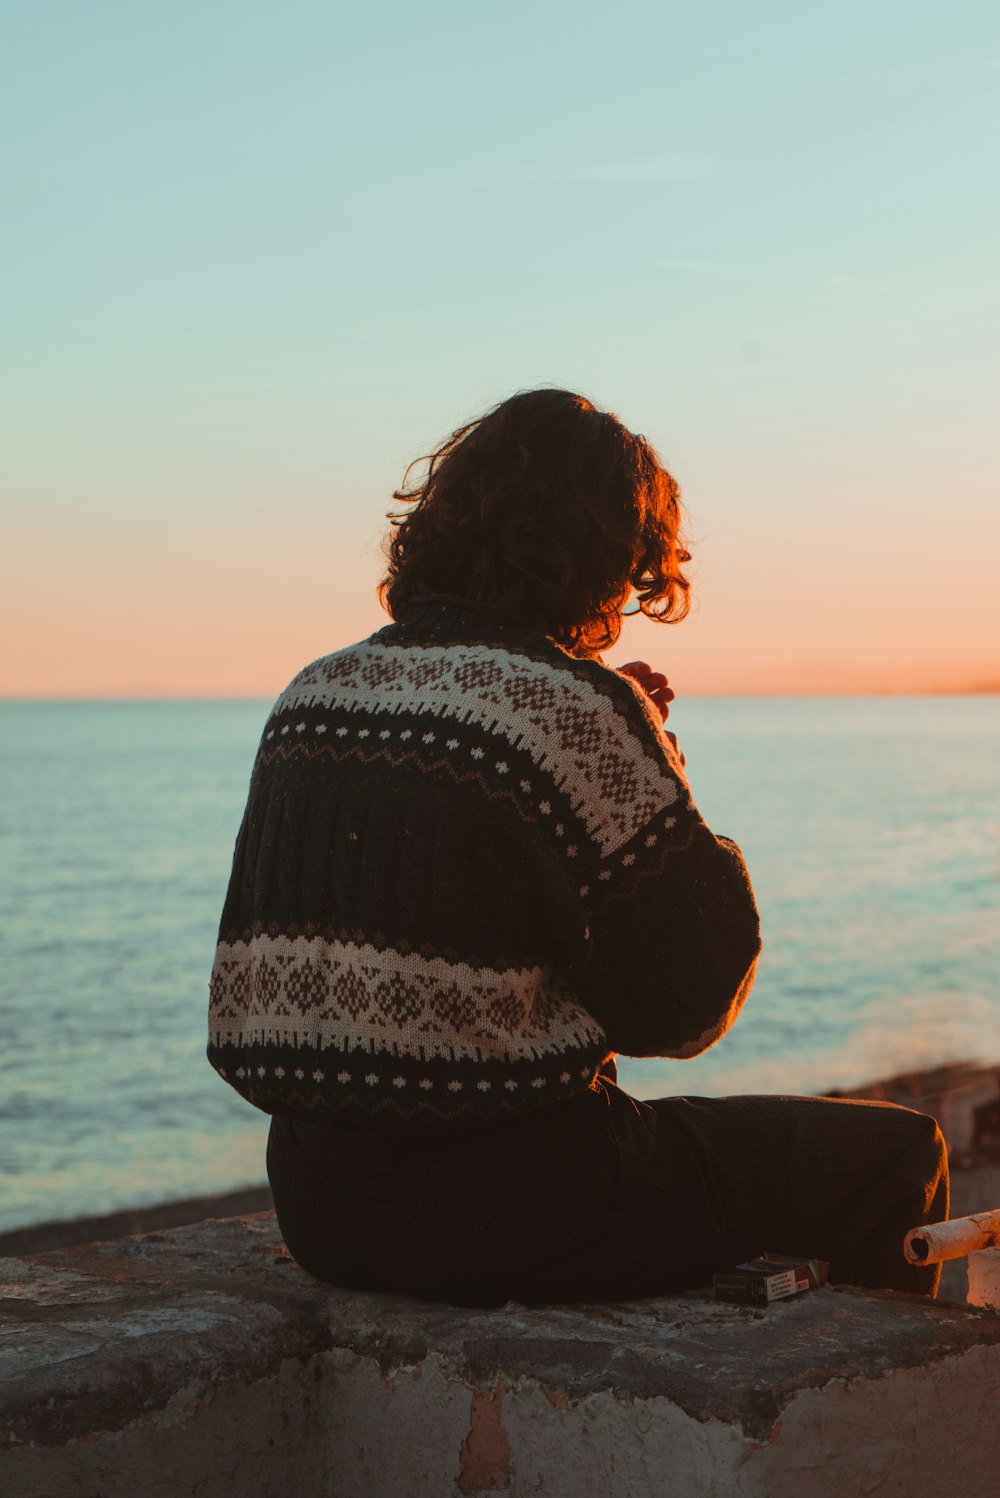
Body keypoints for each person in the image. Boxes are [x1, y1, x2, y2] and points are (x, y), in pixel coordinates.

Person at [208, 387, 948, 1306]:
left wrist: (610, 750)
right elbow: (685, 1010)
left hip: (321, 1206)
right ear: (611, 555)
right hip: (524, 1208)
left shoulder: (313, 693)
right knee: (897, 1156)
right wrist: (655, 765)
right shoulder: (570, 709)